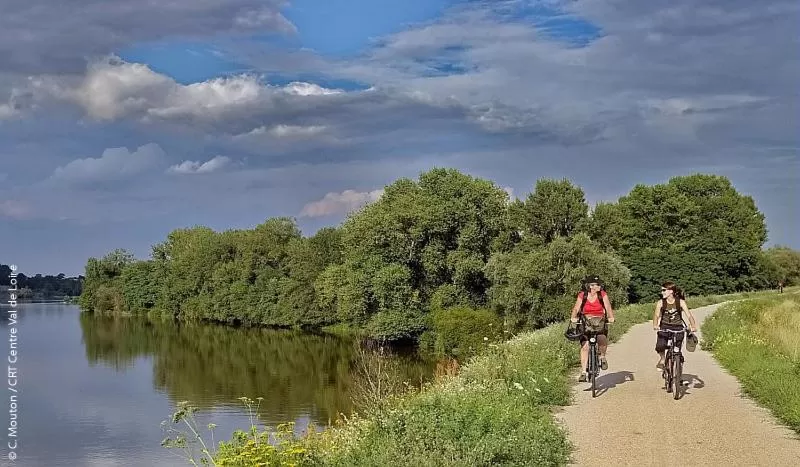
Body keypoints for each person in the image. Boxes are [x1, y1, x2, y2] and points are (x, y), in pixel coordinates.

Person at [570, 275, 615, 382]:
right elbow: (576, 307)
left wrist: (611, 317)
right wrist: (573, 317)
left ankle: (602, 357)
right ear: (590, 286)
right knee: (585, 346)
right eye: (597, 284)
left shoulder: (602, 294)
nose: (599, 286)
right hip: (585, 321)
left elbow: (608, 307)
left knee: (601, 339)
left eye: (599, 284)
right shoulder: (583, 295)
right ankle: (584, 372)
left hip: (599, 320)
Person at [653, 281, 698, 369]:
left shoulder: (680, 302)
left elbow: (689, 315)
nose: (662, 292)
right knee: (660, 346)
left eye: (664, 290)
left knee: (677, 350)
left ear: (671, 291)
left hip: (678, 327)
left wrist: (693, 326)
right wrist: (655, 325)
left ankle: (678, 370)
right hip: (664, 326)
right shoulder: (661, 302)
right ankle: (662, 359)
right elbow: (656, 315)